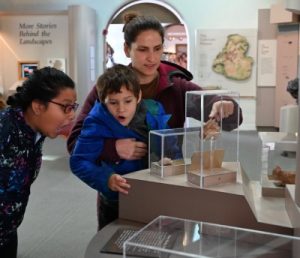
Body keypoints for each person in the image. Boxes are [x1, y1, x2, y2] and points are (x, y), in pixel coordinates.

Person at [67, 13, 243, 228]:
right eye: (142, 49)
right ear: (126, 49)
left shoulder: (177, 87)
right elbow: (75, 142)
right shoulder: (108, 87)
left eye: (157, 49)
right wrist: (113, 148)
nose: (151, 58)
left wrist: (224, 105)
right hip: (120, 195)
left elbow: (227, 115)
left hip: (165, 188)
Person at [69, 64, 174, 229]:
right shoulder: (95, 122)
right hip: (115, 200)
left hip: (150, 195)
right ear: (103, 100)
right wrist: (106, 178)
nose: (121, 109)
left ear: (138, 96)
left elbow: (170, 145)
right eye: (113, 102)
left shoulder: (154, 111)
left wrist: (168, 159)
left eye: (128, 101)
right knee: (112, 244)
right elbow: (78, 161)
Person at [0, 67, 78, 258]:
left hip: (8, 231)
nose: (72, 115)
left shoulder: (35, 132)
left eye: (73, 107)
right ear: (38, 106)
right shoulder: (5, 131)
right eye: (65, 107)